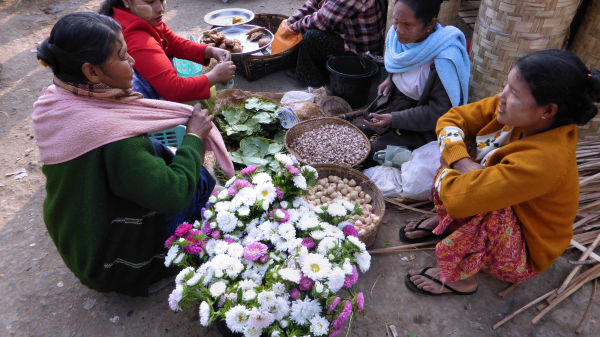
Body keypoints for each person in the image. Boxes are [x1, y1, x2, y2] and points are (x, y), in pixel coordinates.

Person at [33, 12, 234, 296]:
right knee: (200, 181)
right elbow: (173, 193)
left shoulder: (55, 99)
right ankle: (152, 270)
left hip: (77, 242)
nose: (133, 63)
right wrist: (193, 138)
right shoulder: (113, 136)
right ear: (92, 72)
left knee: (163, 153)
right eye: (123, 56)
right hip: (109, 264)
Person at [402, 49, 600, 295]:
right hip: (499, 195)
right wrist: (461, 160)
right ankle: (448, 223)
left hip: (523, 253)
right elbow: (452, 119)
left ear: (548, 111)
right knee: (465, 152)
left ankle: (462, 279)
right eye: (507, 85)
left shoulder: (546, 160)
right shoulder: (516, 113)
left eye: (514, 93)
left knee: (483, 205)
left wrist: (452, 161)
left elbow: (459, 199)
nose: (502, 97)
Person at [357, 0, 469, 162]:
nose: (399, 30)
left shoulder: (444, 60)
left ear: (430, 24)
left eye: (408, 25)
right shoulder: (396, 37)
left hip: (423, 124)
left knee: (375, 153)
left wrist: (394, 119)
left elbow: (438, 113)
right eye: (396, 21)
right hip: (396, 104)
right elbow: (398, 64)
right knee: (356, 130)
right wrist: (391, 79)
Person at [99, 0, 235, 102]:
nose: (160, 8)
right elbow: (174, 89)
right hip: (135, 106)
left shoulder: (139, 16)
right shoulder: (135, 37)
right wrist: (215, 76)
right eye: (150, 1)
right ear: (126, 1)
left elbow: (173, 43)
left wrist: (209, 50)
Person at [283, 0, 386, 87]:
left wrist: (292, 28)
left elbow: (320, 21)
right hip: (348, 37)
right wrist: (290, 21)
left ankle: (312, 84)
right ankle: (306, 70)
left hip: (362, 58)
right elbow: (314, 2)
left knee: (311, 37)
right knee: (302, 32)